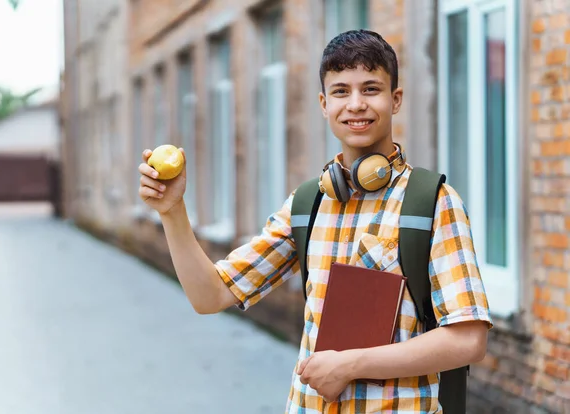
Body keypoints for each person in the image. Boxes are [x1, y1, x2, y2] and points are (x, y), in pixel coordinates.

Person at [138, 29, 492, 413]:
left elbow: (468, 339)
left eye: (370, 89)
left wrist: (352, 364)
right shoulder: (307, 204)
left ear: (396, 99)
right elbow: (210, 296)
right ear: (324, 104)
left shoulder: (433, 202)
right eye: (341, 91)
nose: (355, 104)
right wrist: (172, 211)